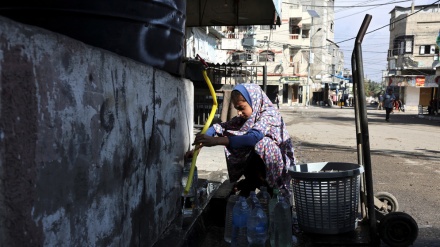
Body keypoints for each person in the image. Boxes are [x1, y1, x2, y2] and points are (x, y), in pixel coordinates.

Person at [186, 83, 295, 198]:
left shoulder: (270, 115)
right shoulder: (244, 119)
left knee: (262, 144)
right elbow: (217, 128)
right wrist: (197, 148)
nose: (238, 113)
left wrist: (216, 141)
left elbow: (253, 138)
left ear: (254, 101)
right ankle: (253, 181)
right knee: (241, 140)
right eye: (236, 108)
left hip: (279, 170)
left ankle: (274, 189)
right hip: (260, 169)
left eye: (241, 108)